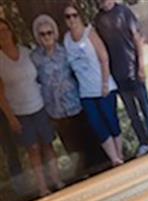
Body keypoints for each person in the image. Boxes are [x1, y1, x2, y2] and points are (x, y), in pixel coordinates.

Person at [31, 14, 102, 180]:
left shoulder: (64, 51)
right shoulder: (35, 58)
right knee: (71, 146)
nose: (46, 37)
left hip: (74, 103)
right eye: (42, 34)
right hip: (55, 109)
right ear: (37, 37)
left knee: (87, 139)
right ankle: (85, 175)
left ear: (55, 33)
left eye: (49, 32)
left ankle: (99, 169)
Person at [0, 18, 63, 198]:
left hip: (39, 105)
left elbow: (41, 76)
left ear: (11, 31)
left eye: (5, 29)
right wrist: (11, 118)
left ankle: (57, 180)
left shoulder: (26, 52)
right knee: (33, 149)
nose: (3, 34)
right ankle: (43, 187)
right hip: (20, 112)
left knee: (48, 144)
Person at [94, 0, 148, 157]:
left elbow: (137, 39)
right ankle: (144, 142)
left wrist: (141, 65)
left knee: (146, 109)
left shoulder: (124, 11)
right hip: (117, 76)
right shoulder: (98, 20)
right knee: (132, 114)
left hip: (133, 70)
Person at [63, 3, 123, 167]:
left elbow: (104, 58)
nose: (72, 19)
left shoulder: (90, 33)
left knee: (111, 120)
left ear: (80, 16)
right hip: (86, 92)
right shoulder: (67, 39)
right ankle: (114, 159)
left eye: (74, 15)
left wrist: (105, 84)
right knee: (97, 125)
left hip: (103, 87)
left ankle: (120, 155)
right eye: (68, 16)